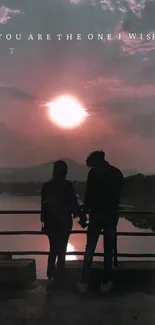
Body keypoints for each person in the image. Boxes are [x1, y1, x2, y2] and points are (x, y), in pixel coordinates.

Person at [77, 151, 124, 294]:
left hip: (95, 215)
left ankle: (84, 281)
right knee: (108, 250)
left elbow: (88, 196)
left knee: (90, 247)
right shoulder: (117, 173)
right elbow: (118, 196)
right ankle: (106, 282)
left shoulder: (93, 174)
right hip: (110, 216)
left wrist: (83, 215)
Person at [41, 160, 81, 292]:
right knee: (62, 249)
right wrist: (80, 216)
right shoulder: (68, 186)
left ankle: (50, 275)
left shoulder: (47, 186)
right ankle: (60, 276)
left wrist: (44, 222)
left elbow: (43, 206)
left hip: (51, 222)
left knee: (53, 248)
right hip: (64, 222)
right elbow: (74, 204)